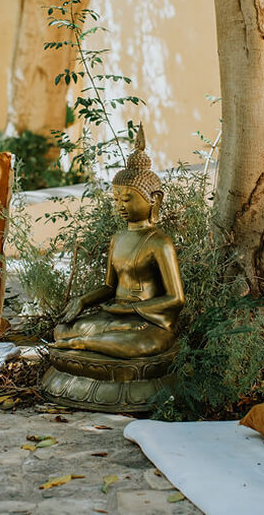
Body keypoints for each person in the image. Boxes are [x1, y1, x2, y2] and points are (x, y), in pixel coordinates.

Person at [50, 126, 185, 358]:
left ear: (154, 199)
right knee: (61, 331)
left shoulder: (160, 242)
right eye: (116, 199)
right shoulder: (118, 238)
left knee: (139, 345)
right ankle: (88, 341)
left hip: (148, 320)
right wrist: (82, 301)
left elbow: (176, 298)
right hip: (116, 317)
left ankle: (84, 344)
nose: (120, 205)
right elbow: (110, 287)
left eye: (128, 199)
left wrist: (132, 308)